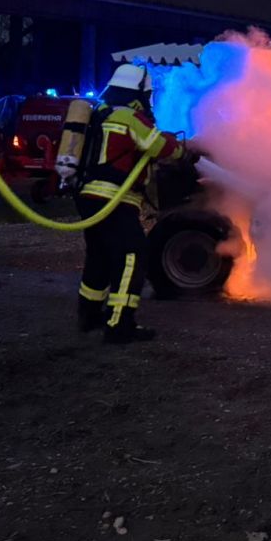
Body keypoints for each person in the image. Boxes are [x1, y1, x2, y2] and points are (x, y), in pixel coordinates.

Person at [73, 63, 186, 343]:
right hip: (115, 198)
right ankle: (120, 324)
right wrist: (184, 150)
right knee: (132, 255)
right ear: (138, 93)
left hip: (89, 197)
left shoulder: (100, 113)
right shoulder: (129, 117)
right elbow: (162, 147)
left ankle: (89, 315)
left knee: (99, 256)